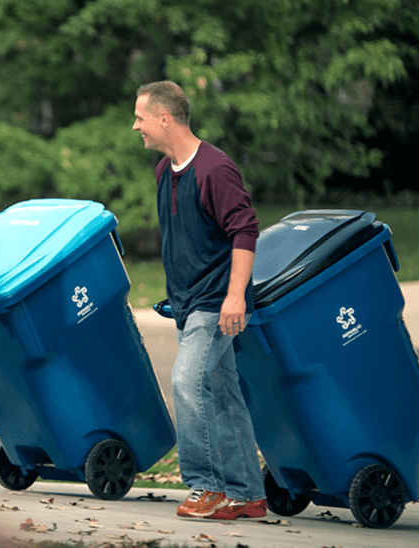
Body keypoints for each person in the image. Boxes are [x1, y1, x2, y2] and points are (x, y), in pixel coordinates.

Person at [132, 81, 266, 519]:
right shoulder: (163, 171)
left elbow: (244, 231)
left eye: (141, 118)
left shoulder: (214, 169)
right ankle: (248, 494)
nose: (136, 127)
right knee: (224, 394)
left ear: (165, 118)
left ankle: (205, 486)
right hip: (188, 303)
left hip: (215, 303)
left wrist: (234, 298)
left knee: (187, 383)